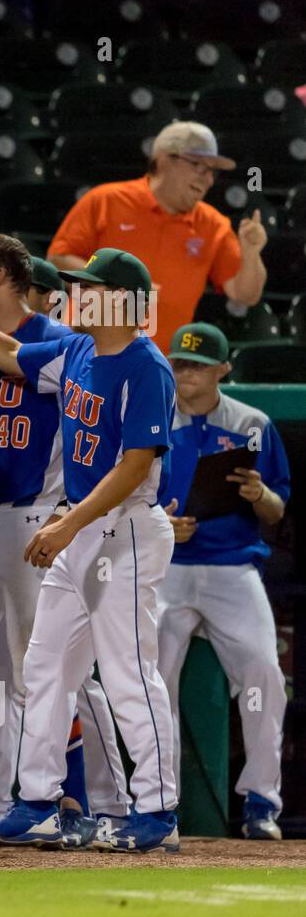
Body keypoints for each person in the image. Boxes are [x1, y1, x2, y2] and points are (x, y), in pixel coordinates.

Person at [0, 247, 182, 854]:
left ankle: (157, 811)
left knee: (130, 670)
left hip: (124, 529)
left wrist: (65, 524)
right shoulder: (78, 349)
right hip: (79, 530)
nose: (78, 293)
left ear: (121, 300)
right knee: (44, 667)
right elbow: (4, 352)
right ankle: (38, 802)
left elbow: (135, 467)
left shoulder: (146, 365)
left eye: (91, 286)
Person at [157, 322, 290, 840]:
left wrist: (259, 495)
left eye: (194, 364)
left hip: (232, 565)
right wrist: (162, 525)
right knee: (150, 680)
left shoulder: (252, 423)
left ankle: (261, 802)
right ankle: (158, 802)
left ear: (222, 369)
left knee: (263, 674)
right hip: (167, 567)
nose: (183, 372)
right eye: (178, 363)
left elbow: (277, 511)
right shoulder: (153, 423)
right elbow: (130, 499)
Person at [48, 121, 267, 352]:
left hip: (156, 361)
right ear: (163, 160)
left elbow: (245, 295)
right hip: (85, 347)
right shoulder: (106, 200)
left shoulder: (214, 225)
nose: (208, 179)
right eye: (199, 166)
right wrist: (118, 288)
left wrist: (252, 253)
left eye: (212, 170)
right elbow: (58, 257)